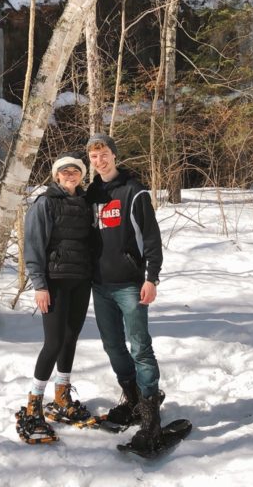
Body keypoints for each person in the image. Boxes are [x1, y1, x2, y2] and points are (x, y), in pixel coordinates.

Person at [85, 132, 164, 451]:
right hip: (100, 286)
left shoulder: (134, 190)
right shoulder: (92, 192)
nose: (99, 160)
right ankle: (132, 398)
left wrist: (151, 278)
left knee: (140, 347)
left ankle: (150, 417)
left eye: (104, 154)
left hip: (131, 284)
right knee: (113, 346)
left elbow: (151, 238)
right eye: (93, 156)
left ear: (114, 156)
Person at [15, 152, 96, 444]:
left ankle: (62, 395)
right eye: (64, 171)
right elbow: (33, 245)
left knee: (71, 336)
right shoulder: (45, 203)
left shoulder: (87, 203)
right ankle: (33, 404)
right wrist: (39, 285)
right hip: (55, 282)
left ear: (81, 175)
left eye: (75, 171)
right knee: (54, 341)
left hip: (81, 280)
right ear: (56, 176)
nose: (70, 175)